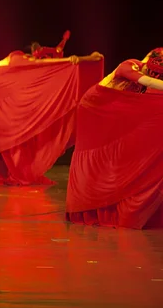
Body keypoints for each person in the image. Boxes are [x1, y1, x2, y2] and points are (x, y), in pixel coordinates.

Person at [0, 31, 104, 186]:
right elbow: (40, 64)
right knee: (12, 130)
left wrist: (82, 59)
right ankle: (12, 171)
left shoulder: (13, 63)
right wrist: (74, 60)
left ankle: (8, 170)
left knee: (14, 130)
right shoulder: (18, 59)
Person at [66, 48, 163, 229]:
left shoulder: (149, 71)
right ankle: (90, 205)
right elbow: (147, 81)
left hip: (117, 109)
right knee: (97, 156)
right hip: (94, 108)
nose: (156, 76)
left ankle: (117, 195)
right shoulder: (128, 65)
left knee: (118, 152)